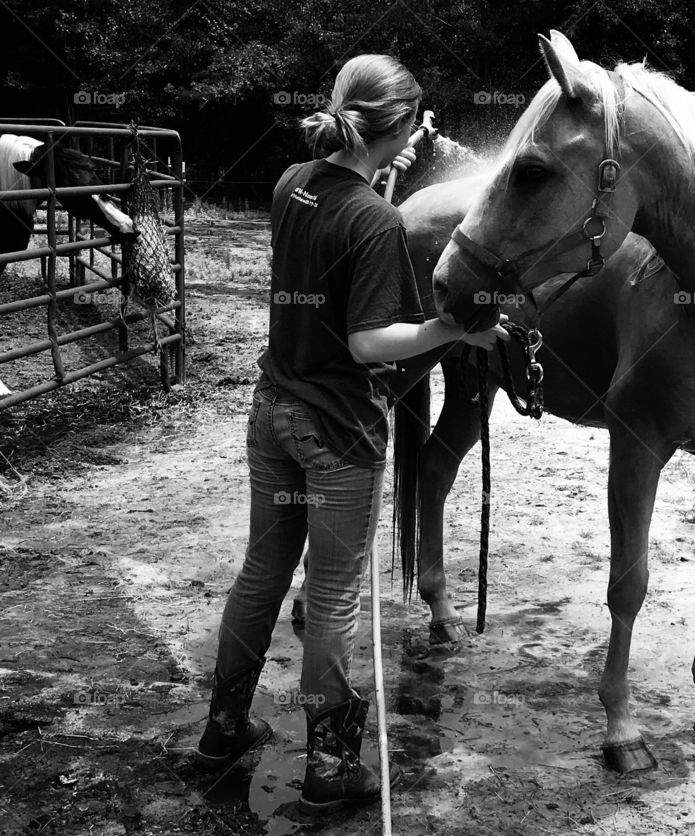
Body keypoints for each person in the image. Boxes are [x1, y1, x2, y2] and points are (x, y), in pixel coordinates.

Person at [193, 54, 509, 811]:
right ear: (395, 129)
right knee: (332, 600)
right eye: (411, 128)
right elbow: (370, 343)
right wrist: (447, 330)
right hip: (337, 431)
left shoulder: (290, 184)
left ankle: (224, 727)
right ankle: (332, 766)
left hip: (272, 412)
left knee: (261, 574)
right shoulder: (373, 220)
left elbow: (326, 282)